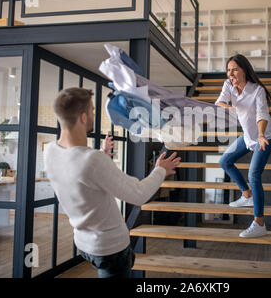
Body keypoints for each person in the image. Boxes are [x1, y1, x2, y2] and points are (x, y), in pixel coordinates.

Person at [44, 87, 180, 278]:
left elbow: (76, 166)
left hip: (83, 243)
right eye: (92, 111)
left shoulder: (50, 151)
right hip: (109, 248)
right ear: (83, 117)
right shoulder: (92, 161)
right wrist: (160, 169)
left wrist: (102, 152)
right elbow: (138, 194)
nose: (94, 114)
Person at [215, 55, 271, 238]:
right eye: (228, 70)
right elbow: (219, 103)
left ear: (244, 70)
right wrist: (231, 108)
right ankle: (246, 195)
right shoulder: (228, 85)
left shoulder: (257, 90)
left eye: (234, 69)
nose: (231, 73)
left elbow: (262, 114)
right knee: (225, 161)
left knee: (253, 174)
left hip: (264, 135)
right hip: (247, 136)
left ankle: (259, 223)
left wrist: (260, 135)